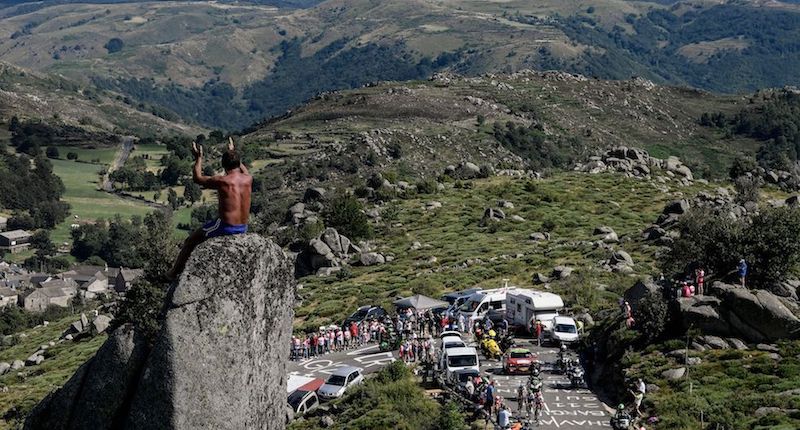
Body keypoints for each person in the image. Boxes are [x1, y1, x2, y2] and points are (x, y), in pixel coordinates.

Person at [166, 138, 251, 280]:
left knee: (191, 241)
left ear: (223, 165)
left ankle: (173, 273)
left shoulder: (222, 181)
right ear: (239, 163)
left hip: (226, 227)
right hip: (243, 227)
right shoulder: (248, 178)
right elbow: (242, 168)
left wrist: (198, 157)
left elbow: (197, 178)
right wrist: (233, 152)